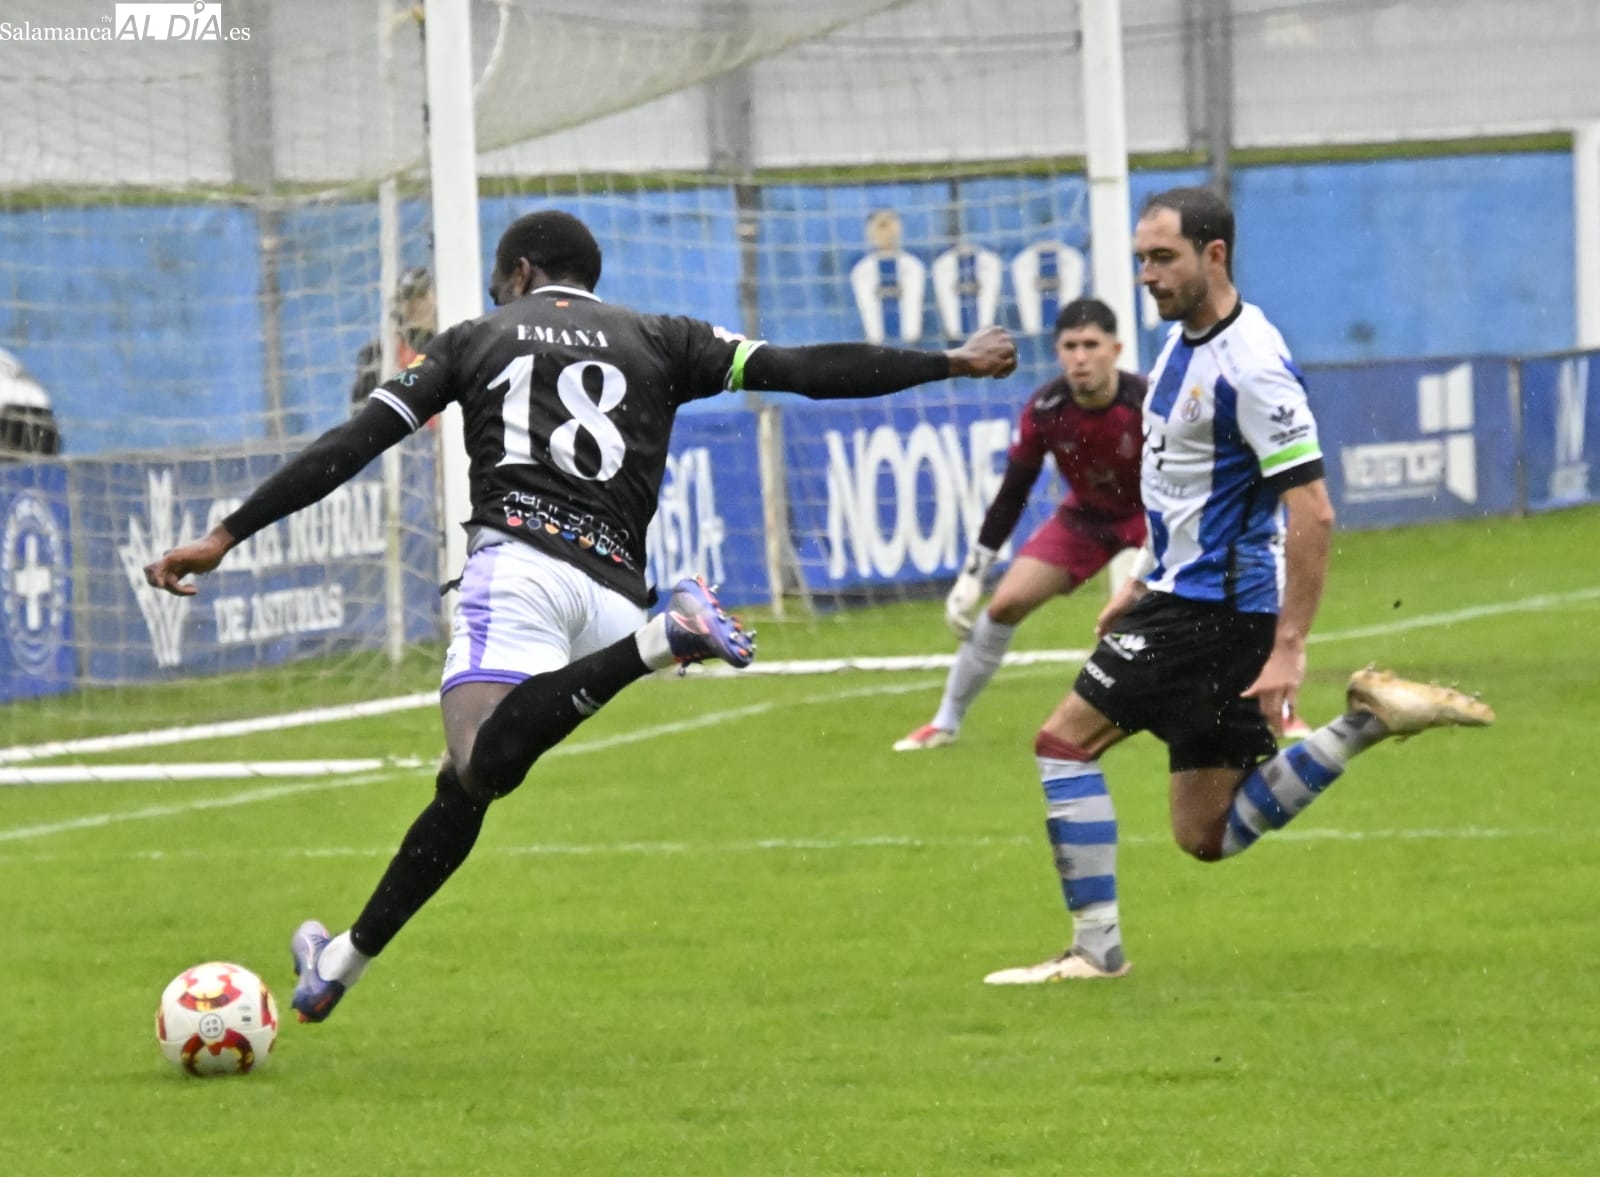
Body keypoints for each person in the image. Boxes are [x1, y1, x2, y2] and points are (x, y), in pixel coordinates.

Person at [144, 209, 1018, 1022]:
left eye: (497, 282)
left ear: (520, 272)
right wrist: (949, 360)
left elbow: (352, 443)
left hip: (521, 565)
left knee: (479, 759)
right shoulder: (664, 337)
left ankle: (661, 641)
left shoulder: (475, 338)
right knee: (465, 786)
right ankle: (338, 965)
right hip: (608, 589)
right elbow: (804, 371)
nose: (495, 297)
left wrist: (228, 532)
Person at [982, 187, 1495, 985]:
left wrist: (1290, 648)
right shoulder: (1184, 343)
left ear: (1213, 254)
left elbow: (1313, 511)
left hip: (1212, 610)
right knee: (1206, 832)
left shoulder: (1250, 366)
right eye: (1141, 258)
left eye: (1163, 258)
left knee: (1063, 742)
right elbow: (1191, 490)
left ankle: (1094, 951)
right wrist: (1145, 576)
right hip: (1189, 595)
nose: (1147, 275)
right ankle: (1368, 721)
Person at [894, 298, 1146, 752]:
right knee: (1005, 603)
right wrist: (974, 574)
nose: (1081, 357)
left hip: (1153, 517)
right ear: (1057, 352)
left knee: (1182, 610)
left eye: (1092, 345)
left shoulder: (1147, 402)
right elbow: (1013, 493)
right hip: (1087, 517)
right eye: (1071, 346)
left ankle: (1274, 706)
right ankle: (944, 721)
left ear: (1117, 348)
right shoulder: (1047, 408)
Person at [350, 266, 437, 414]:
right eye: (409, 298)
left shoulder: (454, 347)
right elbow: (360, 417)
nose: (415, 305)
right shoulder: (376, 357)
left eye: (421, 296)